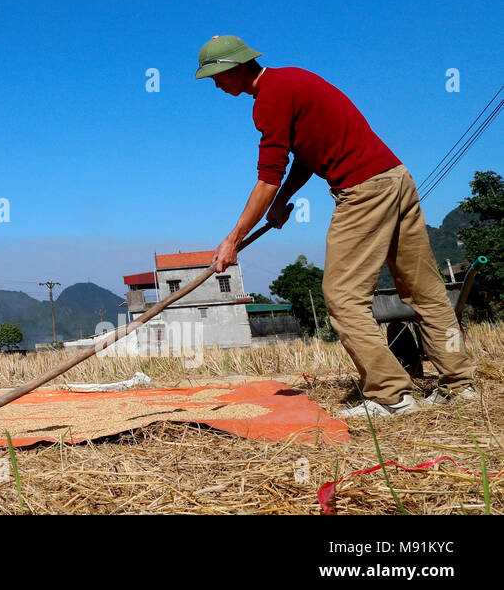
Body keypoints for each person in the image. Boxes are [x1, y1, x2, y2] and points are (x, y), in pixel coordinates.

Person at [195, 35, 476, 418]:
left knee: (343, 298)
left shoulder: (269, 101)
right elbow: (307, 155)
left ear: (237, 67)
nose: (216, 85)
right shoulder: (291, 80)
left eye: (217, 77)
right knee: (424, 291)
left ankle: (391, 395)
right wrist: (281, 203)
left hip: (363, 189)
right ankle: (460, 384)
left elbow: (267, 178)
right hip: (395, 177)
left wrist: (232, 239)